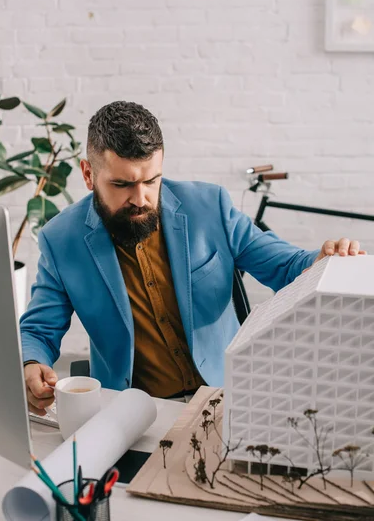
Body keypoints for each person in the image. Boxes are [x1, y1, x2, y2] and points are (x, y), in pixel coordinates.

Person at [21, 101, 365, 415]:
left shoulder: (210, 205)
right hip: (134, 410)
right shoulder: (60, 240)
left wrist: (322, 259)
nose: (140, 198)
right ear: (88, 175)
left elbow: (285, 266)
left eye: (151, 181)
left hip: (229, 396)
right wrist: (32, 362)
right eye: (122, 184)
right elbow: (39, 329)